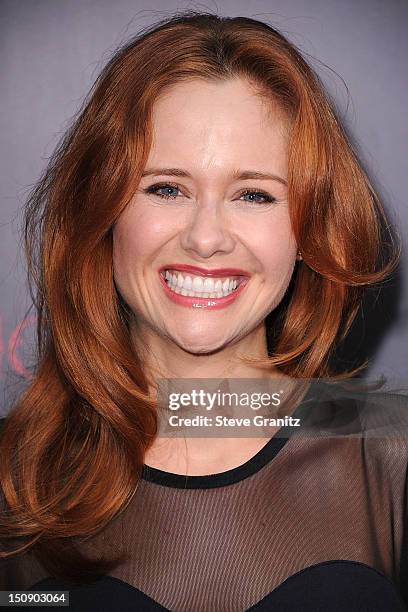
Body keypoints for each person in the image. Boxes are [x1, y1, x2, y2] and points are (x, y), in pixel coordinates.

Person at [0, 10, 407, 612]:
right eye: (167, 187)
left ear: (310, 228)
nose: (206, 237)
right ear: (103, 211)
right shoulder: (13, 478)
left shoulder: (392, 455)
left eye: (254, 194)